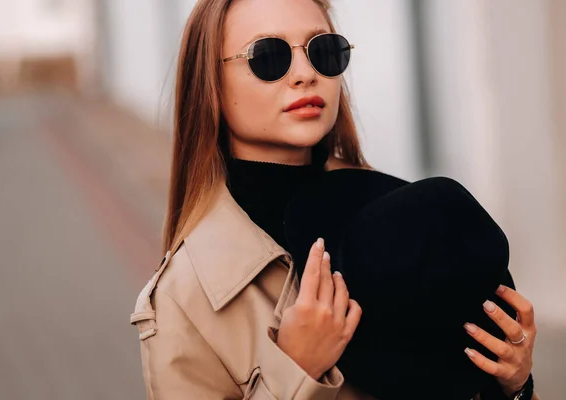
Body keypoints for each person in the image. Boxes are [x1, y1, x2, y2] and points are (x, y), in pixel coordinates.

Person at [130, 0, 539, 399]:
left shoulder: (394, 211)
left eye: (323, 50)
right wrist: (295, 371)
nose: (306, 74)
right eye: (268, 56)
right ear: (211, 86)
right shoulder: (184, 296)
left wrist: (516, 387)